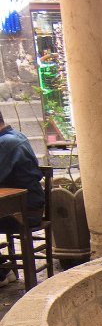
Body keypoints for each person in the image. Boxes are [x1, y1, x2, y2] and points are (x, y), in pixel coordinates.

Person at [0, 108, 44, 287]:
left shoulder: (6, 143)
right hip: (21, 207)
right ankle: (3, 270)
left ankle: (2, 272)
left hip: (25, 212)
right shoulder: (12, 137)